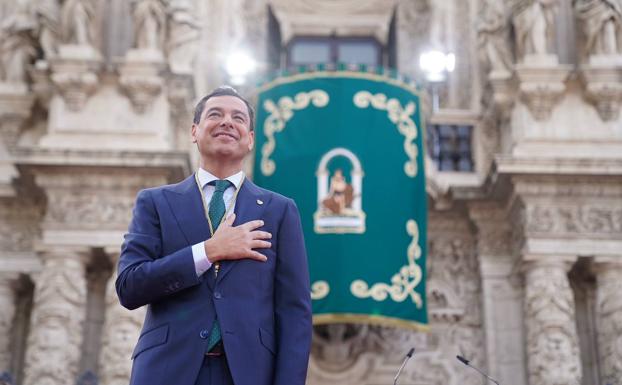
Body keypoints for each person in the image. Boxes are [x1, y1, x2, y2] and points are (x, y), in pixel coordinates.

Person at [116, 86, 312, 385]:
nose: (227, 122)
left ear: (250, 139)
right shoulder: (155, 202)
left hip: (248, 373)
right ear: (194, 131)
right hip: (167, 371)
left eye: (238, 117)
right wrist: (207, 251)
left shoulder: (279, 211)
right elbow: (129, 286)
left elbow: (294, 313)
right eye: (215, 114)